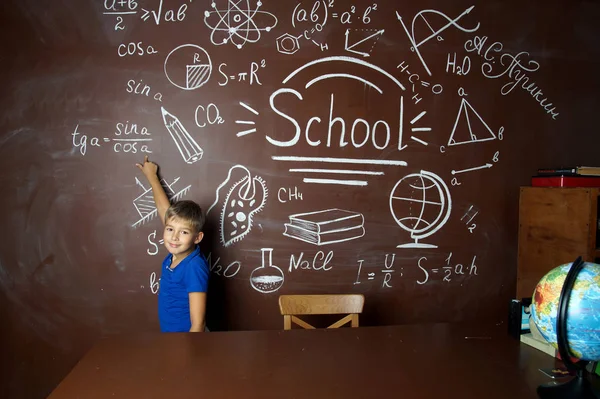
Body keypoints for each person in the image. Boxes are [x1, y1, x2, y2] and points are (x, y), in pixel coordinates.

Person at [136, 155, 209, 332]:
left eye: (183, 232)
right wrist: (151, 176)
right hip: (172, 340)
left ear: (197, 238)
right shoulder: (176, 253)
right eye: (170, 229)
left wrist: (188, 356)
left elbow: (198, 324)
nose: (174, 237)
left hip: (188, 343)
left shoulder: (193, 266)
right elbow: (164, 211)